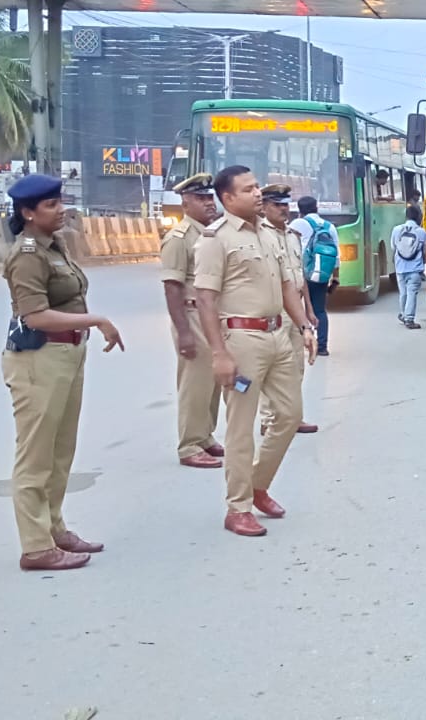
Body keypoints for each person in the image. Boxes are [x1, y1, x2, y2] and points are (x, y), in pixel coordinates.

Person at [0, 173, 124, 571]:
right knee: (36, 455)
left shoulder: (55, 245)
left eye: (60, 202)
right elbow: (34, 316)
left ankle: (54, 527)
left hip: (68, 354)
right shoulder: (28, 254)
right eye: (51, 205)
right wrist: (97, 319)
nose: (61, 209)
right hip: (40, 359)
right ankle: (35, 546)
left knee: (60, 450)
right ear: (28, 213)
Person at [194, 166, 318, 538]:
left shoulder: (270, 234)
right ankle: (238, 507)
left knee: (289, 414)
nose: (257, 194)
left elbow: (286, 287)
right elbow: (204, 299)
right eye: (248, 190)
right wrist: (219, 354)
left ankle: (257, 484)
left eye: (256, 187)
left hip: (278, 336)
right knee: (241, 427)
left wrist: (304, 327)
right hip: (242, 342)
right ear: (227, 198)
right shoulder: (215, 239)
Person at [161, 173, 226, 469]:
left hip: (211, 314)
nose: (209, 203)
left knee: (213, 381)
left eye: (210, 197)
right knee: (194, 383)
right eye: (201, 199)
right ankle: (189, 444)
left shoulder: (212, 233)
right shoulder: (178, 238)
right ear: (186, 204)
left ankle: (204, 436)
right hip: (191, 315)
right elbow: (172, 286)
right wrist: (184, 332)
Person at [258, 184, 320, 436]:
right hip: (273, 307)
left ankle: (292, 416)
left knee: (296, 365)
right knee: (273, 367)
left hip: (295, 309)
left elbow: (299, 276)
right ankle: (269, 418)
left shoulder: (293, 236)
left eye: (286, 205)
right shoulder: (260, 235)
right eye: (277, 205)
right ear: (264, 207)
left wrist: (309, 309)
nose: (284, 209)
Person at [290, 196, 336, 356]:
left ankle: (296, 343)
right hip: (320, 274)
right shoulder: (330, 227)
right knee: (319, 310)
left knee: (293, 307)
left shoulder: (297, 224)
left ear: (300, 210)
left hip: (300, 273)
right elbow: (336, 256)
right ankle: (322, 346)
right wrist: (334, 277)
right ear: (317, 207)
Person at [392, 205, 426, 329]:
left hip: (399, 267)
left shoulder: (396, 230)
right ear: (419, 217)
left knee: (403, 293)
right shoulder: (422, 232)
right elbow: (424, 251)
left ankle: (404, 315)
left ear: (406, 216)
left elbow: (393, 247)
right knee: (412, 292)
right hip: (414, 268)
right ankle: (409, 319)